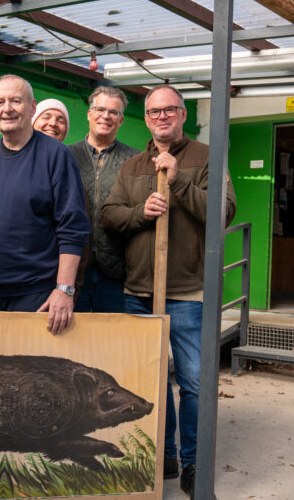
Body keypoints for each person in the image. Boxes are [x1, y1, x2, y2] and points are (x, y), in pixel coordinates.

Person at [101, 84, 236, 499]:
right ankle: (168, 454)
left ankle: (195, 464)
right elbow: (110, 214)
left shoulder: (206, 157)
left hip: (188, 291)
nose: (162, 117)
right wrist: (141, 213)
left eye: (170, 110)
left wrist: (178, 184)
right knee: (152, 381)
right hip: (139, 290)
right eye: (154, 111)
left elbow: (223, 213)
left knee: (193, 383)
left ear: (183, 114)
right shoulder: (133, 166)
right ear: (146, 118)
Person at [0, 74, 90, 335]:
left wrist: (64, 290)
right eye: (0, 102)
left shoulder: (56, 156)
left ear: (32, 107)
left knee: (28, 373)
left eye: (16, 101)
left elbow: (72, 228)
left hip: (33, 296)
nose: (7, 108)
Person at [68, 86, 140, 313]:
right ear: (89, 114)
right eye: (100, 109)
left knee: (112, 342)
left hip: (118, 271)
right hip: (74, 267)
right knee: (70, 341)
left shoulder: (135, 161)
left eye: (113, 112)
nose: (106, 116)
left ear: (121, 120)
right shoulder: (65, 156)